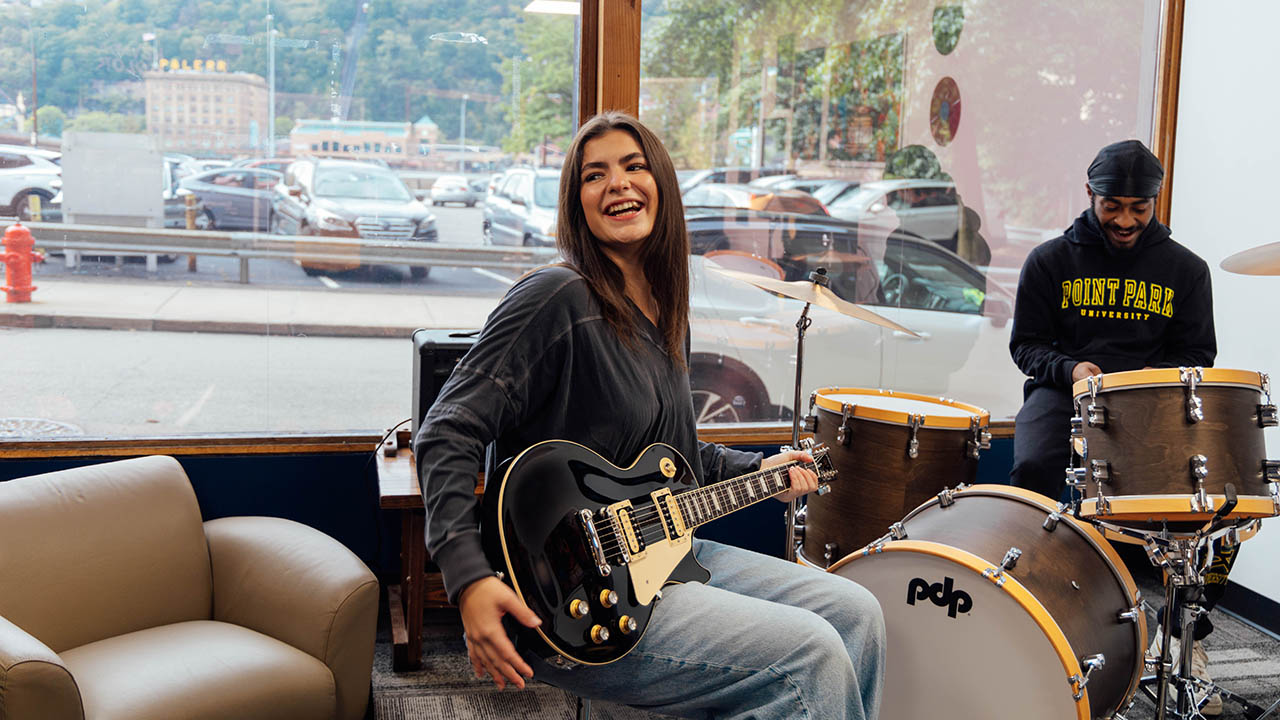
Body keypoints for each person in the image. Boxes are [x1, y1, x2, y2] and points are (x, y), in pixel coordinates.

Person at [414, 111, 885, 719]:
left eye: (634, 166)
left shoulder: (666, 313)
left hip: (665, 553)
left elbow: (675, 459)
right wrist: (470, 580)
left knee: (858, 613)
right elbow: (445, 430)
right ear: (575, 201)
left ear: (661, 181)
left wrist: (764, 469)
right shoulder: (554, 298)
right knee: (813, 653)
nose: (618, 184)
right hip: (581, 598)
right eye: (595, 174)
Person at [1007, 139, 1227, 714]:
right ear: (1090, 196)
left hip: (1150, 403)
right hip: (1067, 393)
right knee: (1031, 466)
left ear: (1156, 201)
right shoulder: (1050, 261)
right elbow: (1026, 346)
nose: (1125, 220)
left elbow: (1199, 354)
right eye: (1113, 206)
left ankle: (1184, 637)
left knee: (1201, 499)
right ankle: (1024, 602)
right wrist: (1070, 369)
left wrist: (1150, 382)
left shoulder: (1186, 270)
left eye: (1139, 208)